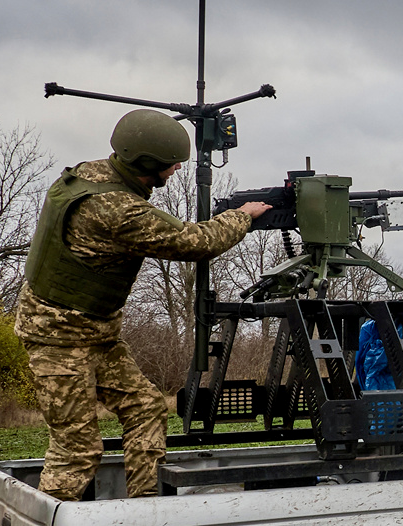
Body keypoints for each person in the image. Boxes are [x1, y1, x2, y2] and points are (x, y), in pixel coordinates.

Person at [15, 109, 270, 501]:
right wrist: (242, 217)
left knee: (147, 407)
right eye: (170, 165)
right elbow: (192, 243)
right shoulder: (116, 209)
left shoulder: (90, 173)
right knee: (76, 450)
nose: (176, 171)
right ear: (145, 163)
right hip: (58, 339)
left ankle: (144, 508)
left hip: (95, 333)